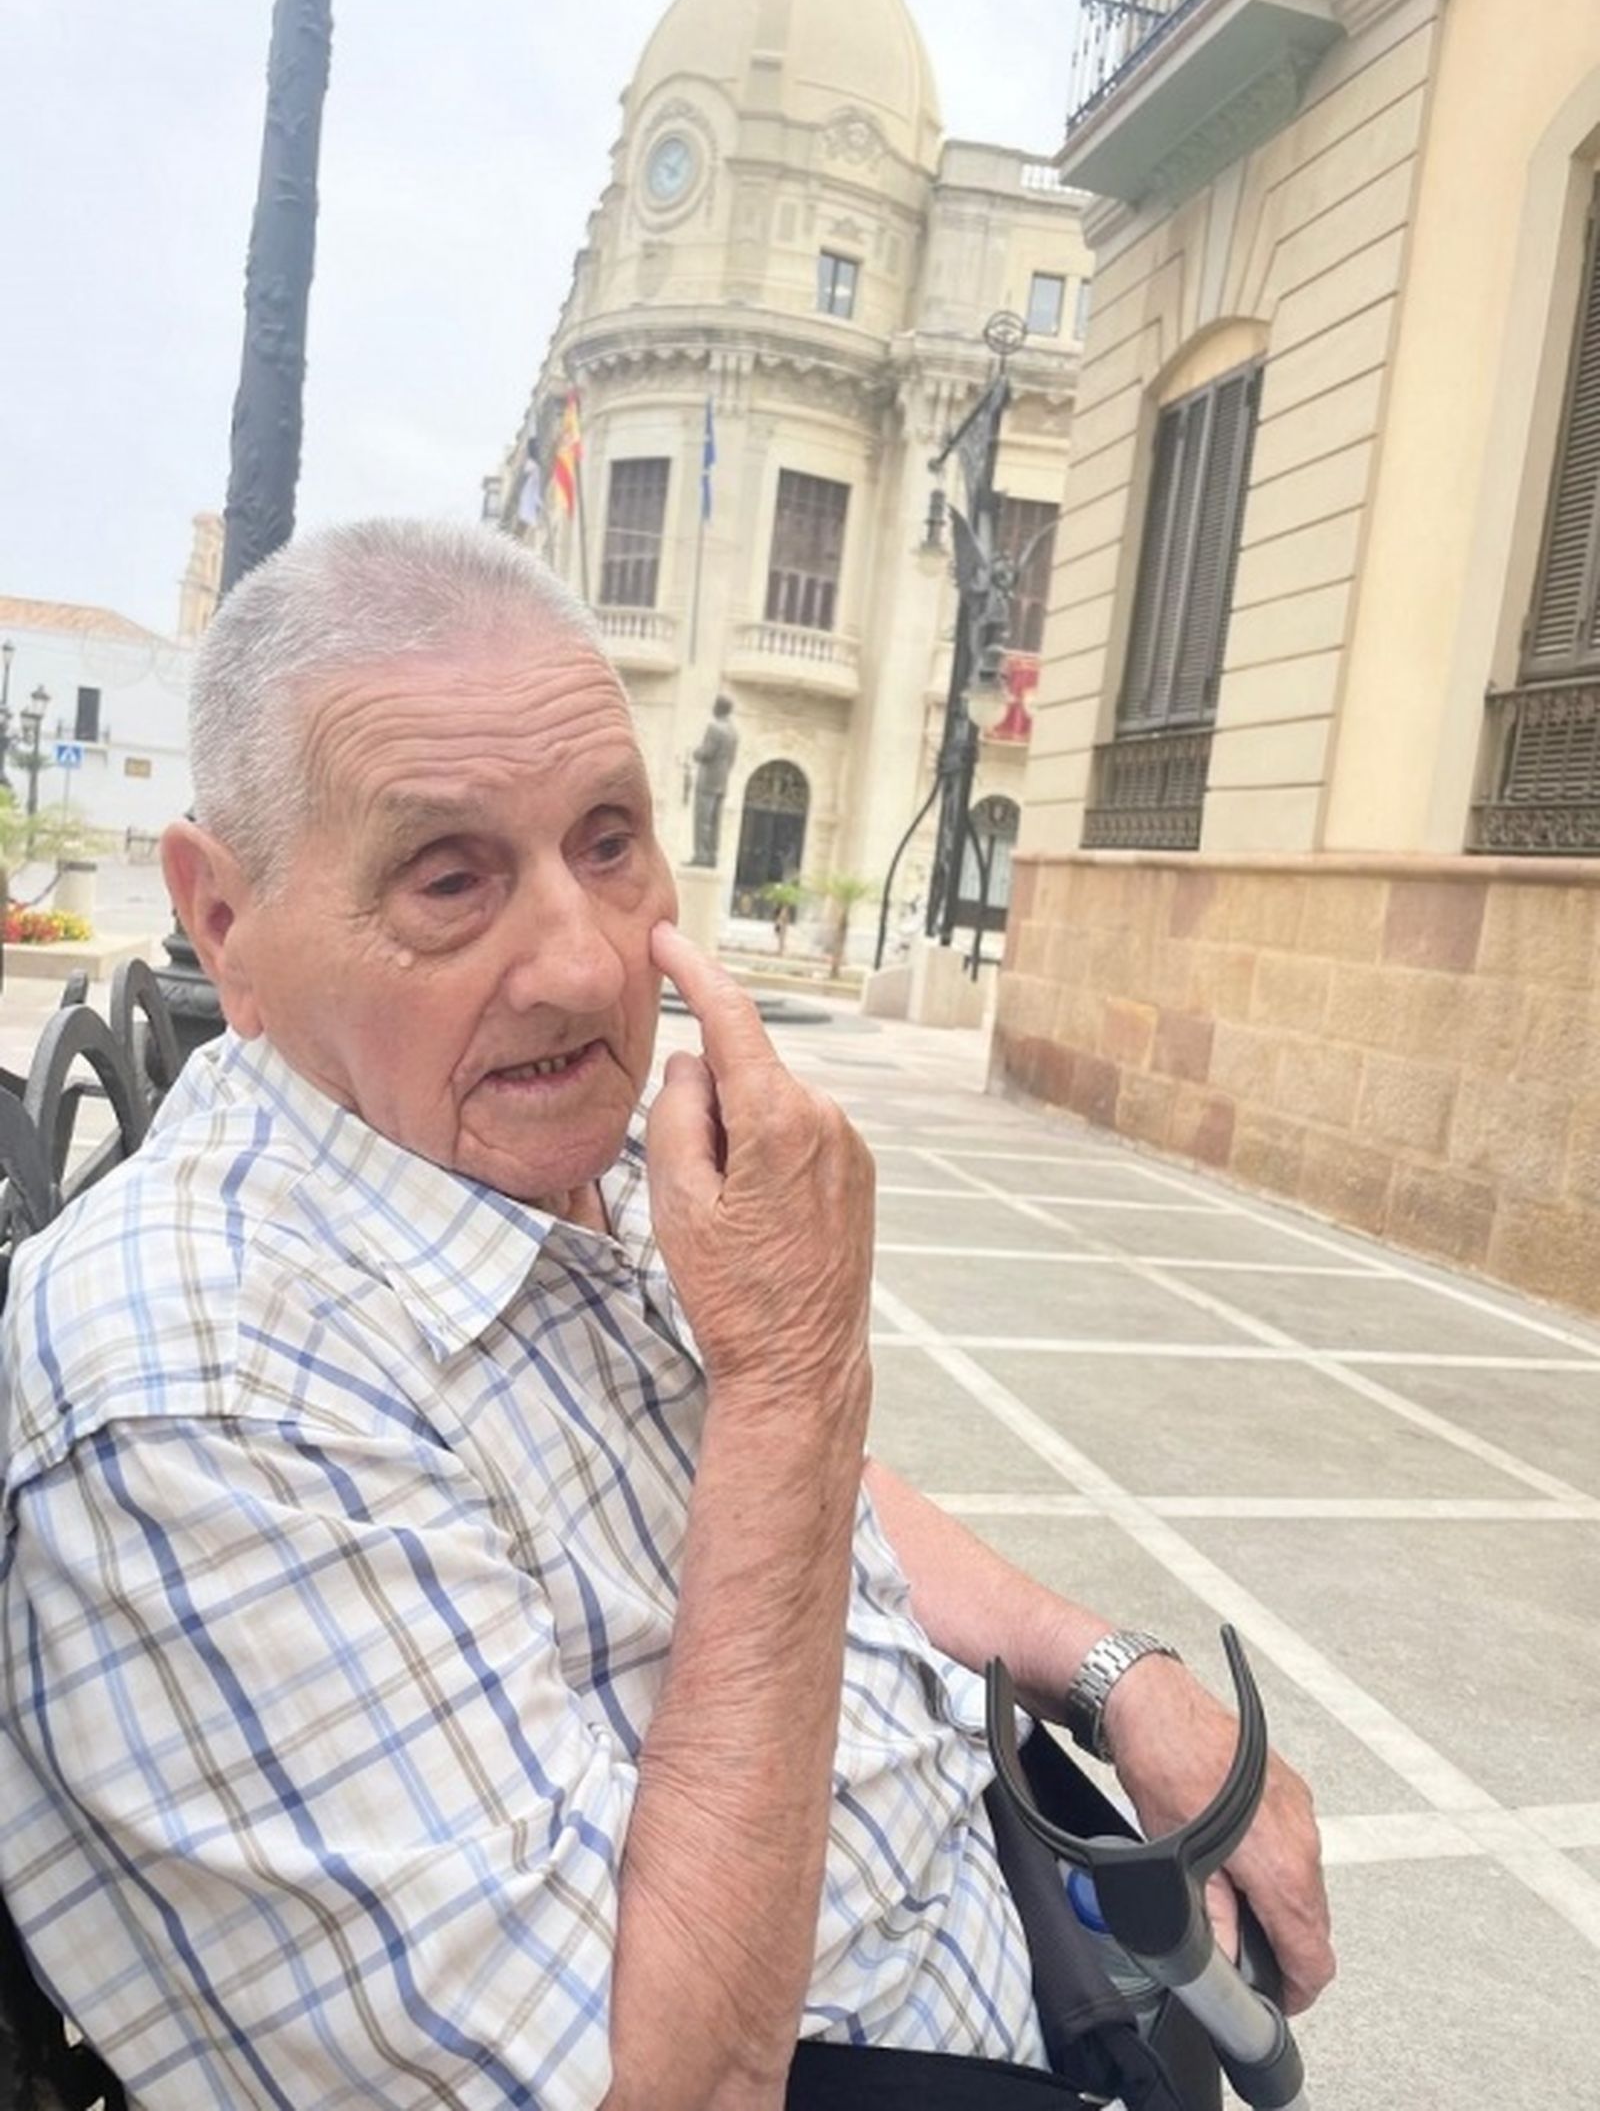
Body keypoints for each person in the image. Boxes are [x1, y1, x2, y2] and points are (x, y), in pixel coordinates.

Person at [0, 522, 1331, 2111]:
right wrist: (793, 1376)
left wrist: (1110, 1672)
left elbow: (795, 1499)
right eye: (449, 878)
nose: (582, 964)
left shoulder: (558, 1145)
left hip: (1018, 1919)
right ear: (223, 921)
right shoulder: (201, 1396)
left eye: (610, 840)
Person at [689, 692, 738, 866]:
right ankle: (712, 855)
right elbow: (732, 759)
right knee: (715, 821)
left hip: (708, 780)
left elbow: (707, 752)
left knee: (703, 820)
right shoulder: (733, 732)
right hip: (722, 781)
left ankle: (701, 856)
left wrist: (695, 753)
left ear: (718, 708)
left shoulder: (715, 728)